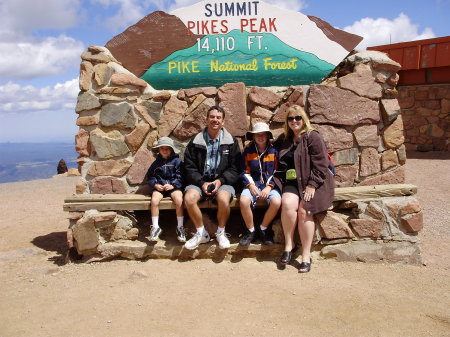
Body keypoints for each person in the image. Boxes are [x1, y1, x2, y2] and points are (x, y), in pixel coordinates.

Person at [273, 105, 334, 273]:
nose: (294, 121)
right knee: (287, 204)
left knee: (304, 210)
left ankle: (306, 255)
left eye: (297, 118)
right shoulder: (285, 138)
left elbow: (322, 164)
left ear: (303, 119)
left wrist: (312, 184)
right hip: (293, 182)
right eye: (290, 118)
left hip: (313, 182)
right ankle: (288, 245)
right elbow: (270, 149)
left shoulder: (312, 137)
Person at [183, 105, 242, 250]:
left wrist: (220, 181)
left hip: (222, 181)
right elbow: (189, 167)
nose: (215, 120)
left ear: (223, 121)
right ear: (207, 119)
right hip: (199, 181)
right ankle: (201, 232)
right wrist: (201, 183)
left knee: (223, 199)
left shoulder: (231, 142)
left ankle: (221, 232)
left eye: (218, 117)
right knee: (189, 199)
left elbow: (235, 168)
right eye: (212, 117)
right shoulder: (195, 141)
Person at [239, 122, 281, 246]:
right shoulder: (248, 151)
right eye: (257, 135)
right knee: (243, 201)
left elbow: (277, 171)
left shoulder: (274, 151)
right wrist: (251, 185)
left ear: (268, 136)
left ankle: (263, 229)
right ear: (253, 136)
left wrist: (269, 187)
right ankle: (251, 230)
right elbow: (243, 171)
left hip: (269, 186)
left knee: (276, 202)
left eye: (263, 134)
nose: (260, 137)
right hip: (253, 185)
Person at [146, 137, 186, 242]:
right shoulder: (155, 164)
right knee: (154, 201)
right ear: (158, 150)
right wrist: (155, 185)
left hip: (174, 187)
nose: (165, 150)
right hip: (160, 188)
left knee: (179, 200)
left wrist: (173, 185)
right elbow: (150, 177)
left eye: (167, 148)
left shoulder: (177, 161)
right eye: (162, 148)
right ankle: (155, 227)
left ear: (172, 149)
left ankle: (180, 227)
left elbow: (181, 176)